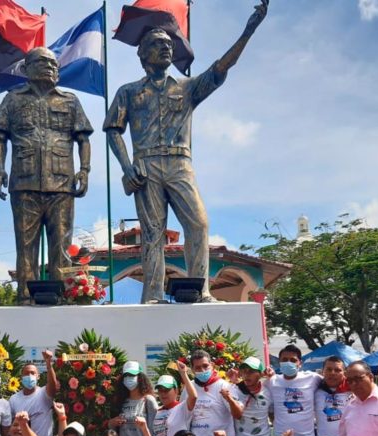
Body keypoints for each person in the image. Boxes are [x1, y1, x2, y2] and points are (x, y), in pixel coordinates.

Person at [103, 0, 268, 303]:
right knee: (153, 232)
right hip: (146, 164)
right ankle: (152, 294)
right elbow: (113, 130)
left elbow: (222, 67)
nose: (166, 48)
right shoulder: (128, 91)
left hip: (180, 162)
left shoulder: (187, 87)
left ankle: (201, 289)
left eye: (168, 44)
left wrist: (249, 31)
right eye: (157, 44)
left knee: (199, 223)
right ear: (142, 54)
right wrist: (127, 168)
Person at [0, 46, 93, 303]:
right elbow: (0, 136)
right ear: (26, 69)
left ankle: (62, 295)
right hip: (24, 182)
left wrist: (84, 170)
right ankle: (25, 296)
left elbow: (83, 139)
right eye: (43, 63)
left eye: (54, 65)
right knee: (25, 244)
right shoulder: (13, 99)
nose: (50, 68)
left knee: (62, 245)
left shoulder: (70, 101)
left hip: (62, 183)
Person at [265, 345, 322, 436]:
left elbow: (333, 383)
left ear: (300, 363)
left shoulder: (313, 378)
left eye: (293, 360)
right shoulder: (272, 382)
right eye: (285, 359)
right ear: (279, 362)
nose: (288, 363)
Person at [182, 350, 240, 436]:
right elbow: (183, 416)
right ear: (192, 369)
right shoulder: (189, 388)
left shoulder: (224, 386)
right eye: (197, 368)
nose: (202, 370)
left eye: (205, 366)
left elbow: (238, 415)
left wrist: (230, 399)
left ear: (212, 365)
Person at [9, 350, 58, 436]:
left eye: (32, 373)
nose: (30, 376)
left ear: (38, 376)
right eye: (26, 373)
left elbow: (53, 386)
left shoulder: (44, 393)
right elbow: (11, 425)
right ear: (21, 377)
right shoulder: (14, 399)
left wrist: (48, 364)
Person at [110, 361, 158, 436]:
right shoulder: (120, 401)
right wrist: (111, 423)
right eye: (126, 375)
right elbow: (113, 432)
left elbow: (155, 431)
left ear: (140, 377)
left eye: (132, 375)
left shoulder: (148, 400)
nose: (129, 378)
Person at [228, 357, 273, 436]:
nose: (247, 374)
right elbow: (237, 415)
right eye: (244, 371)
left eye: (251, 371)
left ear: (260, 374)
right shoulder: (234, 390)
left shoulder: (267, 391)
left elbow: (272, 414)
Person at [151, 361, 196, 436]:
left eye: (167, 390)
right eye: (160, 390)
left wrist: (183, 374)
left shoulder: (183, 408)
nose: (163, 394)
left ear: (176, 391)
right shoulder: (157, 411)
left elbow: (193, 397)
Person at [314, 356, 353, 436]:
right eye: (329, 369)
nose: (332, 373)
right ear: (322, 371)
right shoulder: (315, 391)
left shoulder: (354, 391)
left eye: (337, 370)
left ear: (344, 373)